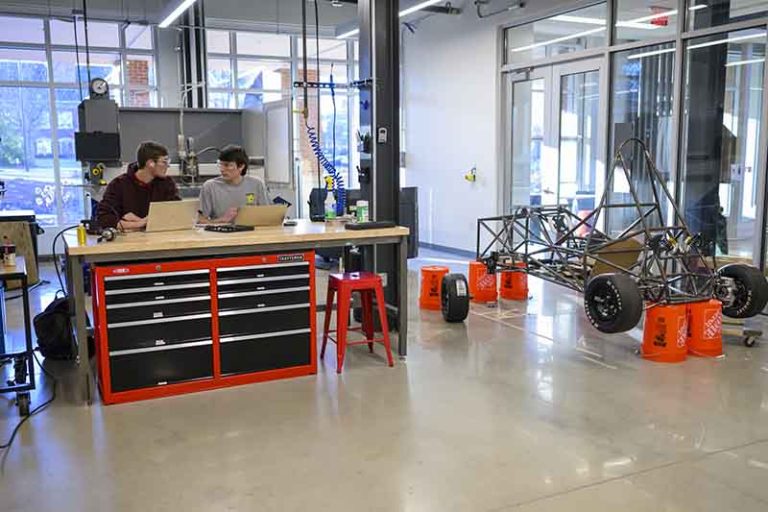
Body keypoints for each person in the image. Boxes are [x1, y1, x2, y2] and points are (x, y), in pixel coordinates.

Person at [96, 141, 179, 231]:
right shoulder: (118, 185)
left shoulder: (166, 183)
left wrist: (143, 222)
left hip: (160, 238)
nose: (168, 166)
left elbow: (176, 212)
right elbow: (104, 219)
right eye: (164, 162)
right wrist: (140, 223)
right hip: (129, 241)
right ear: (150, 163)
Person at [198, 144, 269, 223]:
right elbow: (200, 221)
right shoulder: (210, 187)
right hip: (221, 233)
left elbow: (266, 216)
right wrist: (222, 220)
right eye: (220, 164)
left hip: (252, 233)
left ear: (241, 166)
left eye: (227, 165)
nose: (222, 169)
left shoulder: (256, 184)